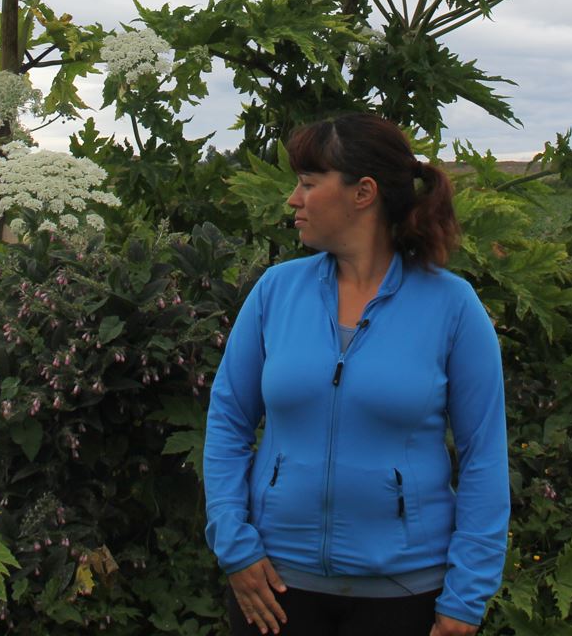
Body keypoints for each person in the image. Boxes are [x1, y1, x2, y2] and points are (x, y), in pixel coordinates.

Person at [203, 114, 509, 636]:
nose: (292, 200)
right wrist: (234, 546)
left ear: (362, 193)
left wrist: (465, 600)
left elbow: (484, 457)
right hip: (275, 592)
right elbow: (228, 421)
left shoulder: (452, 306)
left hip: (405, 598)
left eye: (307, 183)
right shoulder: (276, 292)